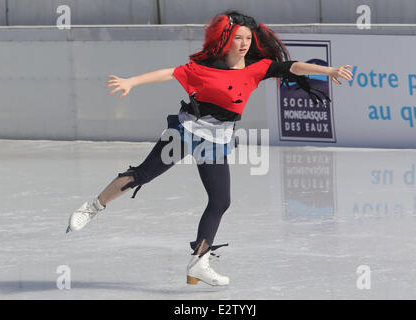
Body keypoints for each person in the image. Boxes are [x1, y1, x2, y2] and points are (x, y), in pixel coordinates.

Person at [66, 10, 353, 286]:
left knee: (220, 200)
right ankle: (93, 207)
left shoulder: (258, 67)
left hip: (216, 141)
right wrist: (132, 82)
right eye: (238, 38)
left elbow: (292, 67)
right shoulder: (203, 68)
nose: (244, 44)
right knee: (142, 174)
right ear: (226, 39)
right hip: (185, 132)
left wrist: (329, 70)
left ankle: (198, 264)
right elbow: (169, 73)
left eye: (248, 39)